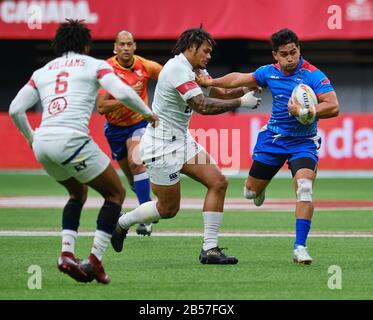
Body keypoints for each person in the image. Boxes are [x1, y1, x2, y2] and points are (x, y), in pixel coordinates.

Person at [8, 19, 158, 284]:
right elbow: (122, 92)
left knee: (77, 193)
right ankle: (95, 261)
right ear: (86, 44)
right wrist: (147, 113)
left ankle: (66, 252)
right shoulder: (95, 65)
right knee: (116, 194)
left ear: (58, 45)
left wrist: (30, 138)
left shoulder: (42, 71)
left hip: (43, 143)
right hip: (72, 140)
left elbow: (15, 109)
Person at [110, 27, 261, 264]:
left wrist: (243, 89)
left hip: (181, 141)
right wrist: (241, 101)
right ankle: (122, 223)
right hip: (160, 147)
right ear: (191, 47)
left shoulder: (195, 69)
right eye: (206, 51)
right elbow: (201, 105)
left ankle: (209, 249)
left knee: (218, 182)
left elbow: (216, 91)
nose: (209, 56)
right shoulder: (177, 69)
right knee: (168, 209)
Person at [196, 28, 340, 265]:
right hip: (273, 140)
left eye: (294, 52)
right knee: (249, 192)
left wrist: (307, 111)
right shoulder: (268, 73)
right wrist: (209, 81)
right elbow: (238, 78)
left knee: (304, 188)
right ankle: (260, 190)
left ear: (299, 49)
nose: (290, 58)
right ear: (275, 55)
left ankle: (300, 247)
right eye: (284, 54)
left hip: (303, 143)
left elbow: (333, 106)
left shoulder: (313, 75)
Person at [96, 30, 162, 236]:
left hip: (139, 123)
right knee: (133, 179)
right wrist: (126, 96)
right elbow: (101, 107)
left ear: (134, 47)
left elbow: (170, 75)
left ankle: (146, 218)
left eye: (129, 44)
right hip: (114, 130)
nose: (125, 48)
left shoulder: (145, 66)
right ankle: (148, 204)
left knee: (136, 163)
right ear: (115, 47)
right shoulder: (107, 69)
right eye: (121, 44)